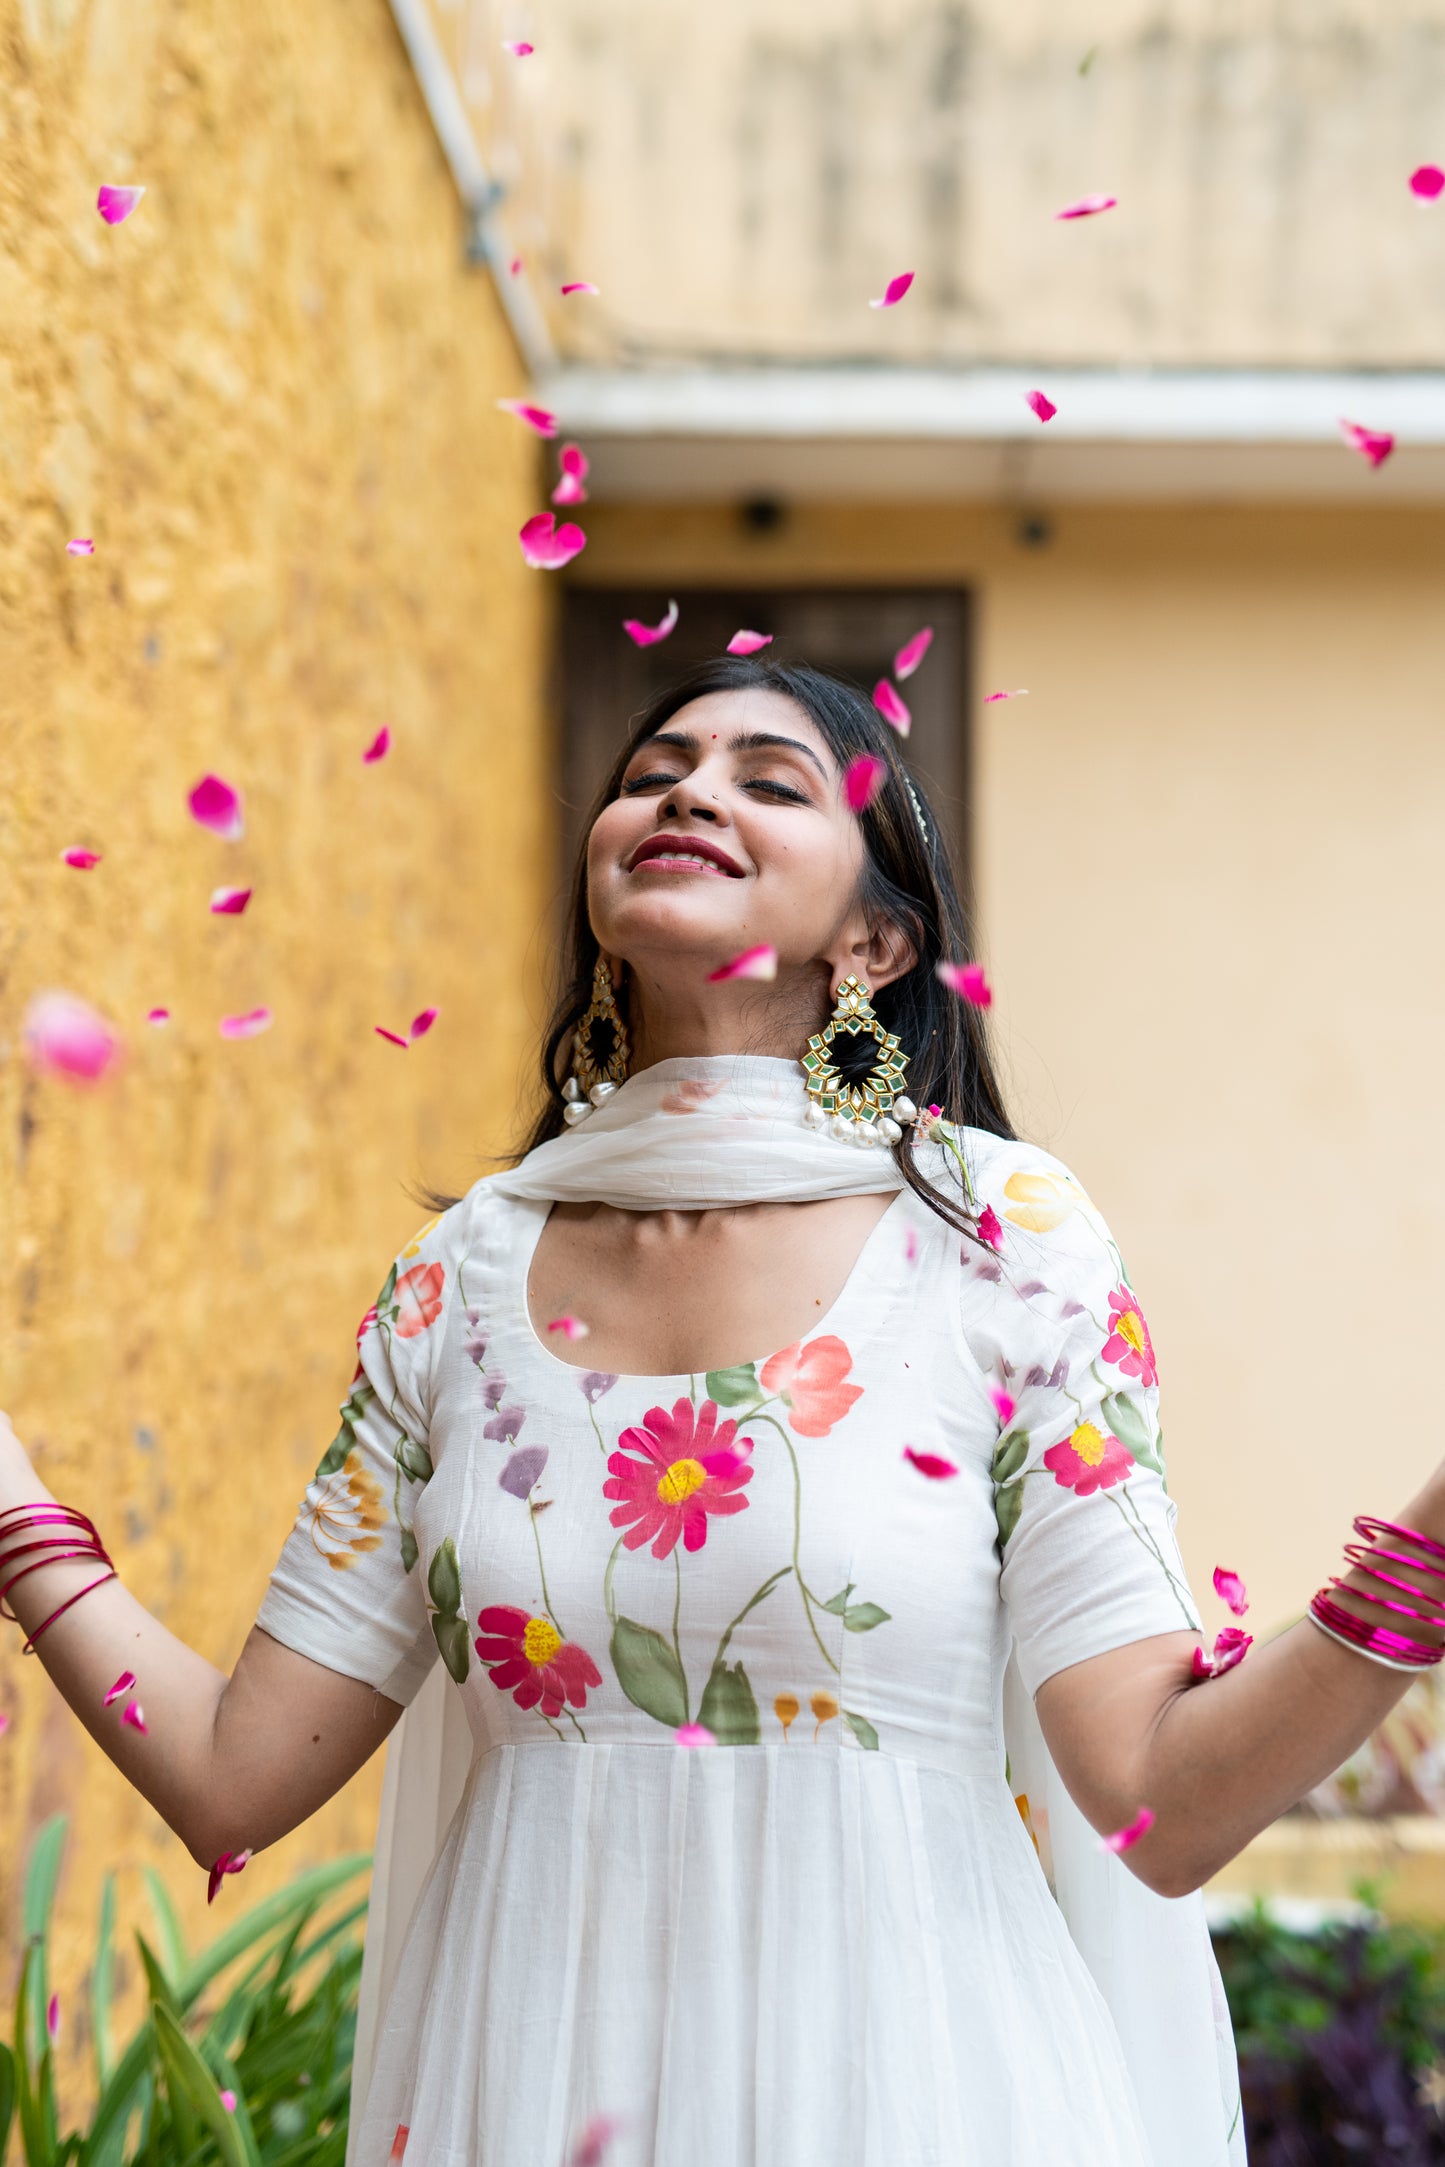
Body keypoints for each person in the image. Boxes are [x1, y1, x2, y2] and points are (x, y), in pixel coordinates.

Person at [5, 655, 1445, 2167]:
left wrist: (1422, 1553)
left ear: (875, 941)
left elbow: (1161, 1801)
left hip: (912, 2092)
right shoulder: (458, 1283)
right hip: (532, 2084)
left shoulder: (998, 1243)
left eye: (770, 781)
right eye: (653, 771)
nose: (685, 789)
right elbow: (237, 1778)